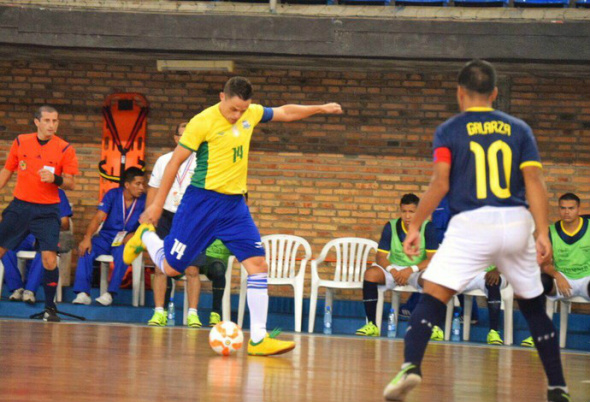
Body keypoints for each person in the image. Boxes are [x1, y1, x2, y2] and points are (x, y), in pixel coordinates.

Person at [383, 60, 570, 402]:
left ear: (460, 92)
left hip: (471, 223)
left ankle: (411, 365)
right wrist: (542, 232)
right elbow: (535, 183)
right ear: (495, 94)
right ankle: (558, 387)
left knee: (434, 295)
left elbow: (439, 183)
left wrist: (415, 225)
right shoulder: (519, 129)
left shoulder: (450, 130)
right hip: (516, 222)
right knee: (533, 305)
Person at [124, 76, 342, 356]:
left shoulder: (251, 113)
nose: (237, 115)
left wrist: (321, 108)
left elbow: (285, 112)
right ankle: (146, 238)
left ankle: (259, 338)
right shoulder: (201, 122)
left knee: (258, 264)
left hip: (234, 206)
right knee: (171, 268)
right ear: (221, 97)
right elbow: (175, 162)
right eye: (233, 109)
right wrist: (155, 206)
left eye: (243, 109)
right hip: (200, 203)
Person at [0, 105, 78, 322]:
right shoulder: (20, 141)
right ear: (37, 122)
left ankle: (50, 308)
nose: (51, 125)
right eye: (47, 120)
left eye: (55, 121)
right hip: (20, 206)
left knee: (49, 259)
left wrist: (56, 179)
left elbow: (71, 183)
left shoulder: (65, 149)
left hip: (47, 210)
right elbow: (7, 171)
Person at [146, 122, 229, 328]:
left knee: (192, 269)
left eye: (189, 135)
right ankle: (159, 312)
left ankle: (192, 313)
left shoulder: (203, 162)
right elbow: (153, 189)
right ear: (175, 138)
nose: (185, 139)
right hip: (166, 216)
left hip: (192, 220)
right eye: (181, 135)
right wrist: (149, 217)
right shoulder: (164, 161)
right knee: (160, 267)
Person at [355, 193, 438, 337]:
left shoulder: (427, 227)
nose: (407, 216)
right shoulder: (391, 226)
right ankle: (372, 324)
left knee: (432, 279)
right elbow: (380, 256)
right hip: (395, 268)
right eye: (404, 211)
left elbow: (432, 259)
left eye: (411, 212)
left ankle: (434, 327)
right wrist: (392, 270)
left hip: (417, 270)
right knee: (370, 274)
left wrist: (409, 270)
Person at [521, 192, 590, 347]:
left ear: (579, 209)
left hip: (587, 280)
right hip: (562, 281)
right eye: (563, 208)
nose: (566, 212)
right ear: (559, 209)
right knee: (537, 283)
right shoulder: (549, 232)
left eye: (571, 208)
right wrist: (557, 275)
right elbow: (544, 264)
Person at [72, 167, 146, 306]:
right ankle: (83, 293)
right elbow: (98, 217)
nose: (141, 187)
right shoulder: (113, 194)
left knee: (123, 253)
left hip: (126, 240)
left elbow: (149, 224)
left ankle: (110, 293)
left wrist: (135, 235)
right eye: (138, 184)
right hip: (106, 237)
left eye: (143, 184)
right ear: (127, 185)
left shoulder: (145, 200)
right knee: (86, 249)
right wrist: (87, 238)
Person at [4, 189, 73, 304]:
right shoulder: (26, 191)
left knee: (44, 249)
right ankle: (17, 288)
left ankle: (30, 291)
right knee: (5, 247)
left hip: (45, 234)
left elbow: (65, 223)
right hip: (25, 234)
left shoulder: (57, 193)